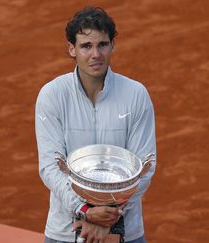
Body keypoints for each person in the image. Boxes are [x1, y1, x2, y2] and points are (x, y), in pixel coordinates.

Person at [35, 6, 156, 243]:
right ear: (72, 49)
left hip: (125, 234)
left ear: (113, 46)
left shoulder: (136, 95)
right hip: (65, 233)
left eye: (102, 44)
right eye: (86, 46)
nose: (96, 54)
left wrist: (111, 220)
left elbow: (145, 167)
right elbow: (50, 167)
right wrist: (85, 211)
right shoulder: (52, 95)